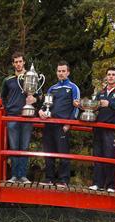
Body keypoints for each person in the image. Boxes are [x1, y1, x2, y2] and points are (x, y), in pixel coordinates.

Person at [37, 60, 80, 188]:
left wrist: (69, 124)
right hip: (49, 124)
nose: (61, 73)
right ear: (56, 72)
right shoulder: (52, 88)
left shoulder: (73, 87)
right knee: (48, 153)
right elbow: (46, 105)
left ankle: (64, 180)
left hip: (63, 126)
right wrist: (40, 111)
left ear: (68, 72)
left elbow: (76, 107)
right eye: (59, 71)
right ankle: (49, 178)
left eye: (63, 71)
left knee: (63, 153)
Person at [88, 67, 115, 193]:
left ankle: (111, 185)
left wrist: (110, 104)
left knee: (110, 156)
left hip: (111, 129)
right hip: (98, 128)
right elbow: (93, 106)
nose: (110, 77)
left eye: (113, 74)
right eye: (108, 75)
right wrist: (81, 105)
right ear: (106, 77)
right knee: (97, 156)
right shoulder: (101, 92)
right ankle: (97, 183)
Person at [1, 52, 39, 184]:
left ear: (24, 63)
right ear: (13, 64)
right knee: (14, 146)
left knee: (24, 146)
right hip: (12, 116)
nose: (18, 64)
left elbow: (39, 95)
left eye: (20, 61)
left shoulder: (31, 77)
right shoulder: (8, 80)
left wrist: (35, 99)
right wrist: (9, 108)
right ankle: (14, 176)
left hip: (27, 117)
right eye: (15, 62)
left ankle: (22, 175)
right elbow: (3, 98)